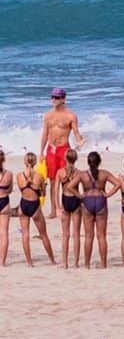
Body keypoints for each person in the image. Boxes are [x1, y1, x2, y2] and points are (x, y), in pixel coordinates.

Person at [39, 88, 84, 219]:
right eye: (52, 97)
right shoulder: (48, 115)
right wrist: (41, 151)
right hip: (51, 150)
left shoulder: (71, 115)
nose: (54, 99)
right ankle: (54, 210)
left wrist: (80, 140)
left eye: (57, 97)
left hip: (64, 149)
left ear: (64, 99)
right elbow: (44, 135)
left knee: (66, 178)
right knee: (53, 181)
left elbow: (76, 132)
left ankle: (66, 207)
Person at [80, 150, 120, 268]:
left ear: (88, 162)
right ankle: (103, 264)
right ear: (99, 162)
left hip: (88, 201)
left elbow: (70, 186)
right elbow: (117, 184)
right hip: (101, 201)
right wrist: (108, 194)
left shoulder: (83, 175)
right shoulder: (104, 173)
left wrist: (80, 195)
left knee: (88, 236)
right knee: (101, 236)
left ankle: (87, 264)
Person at [16, 152, 55, 266]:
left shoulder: (19, 175)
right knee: (43, 235)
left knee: (25, 234)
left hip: (23, 204)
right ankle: (52, 260)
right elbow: (43, 193)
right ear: (35, 162)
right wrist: (40, 187)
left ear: (25, 161)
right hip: (34, 205)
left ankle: (29, 262)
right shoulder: (39, 176)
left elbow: (21, 189)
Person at [57, 148, 84, 269]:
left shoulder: (60, 172)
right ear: (76, 159)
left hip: (65, 200)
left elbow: (55, 191)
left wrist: (57, 206)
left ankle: (65, 263)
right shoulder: (79, 173)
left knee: (65, 234)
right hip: (76, 200)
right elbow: (84, 188)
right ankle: (76, 262)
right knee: (76, 234)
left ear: (65, 158)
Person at [0, 150, 13, 266]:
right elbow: (9, 190)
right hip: (4, 202)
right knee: (4, 233)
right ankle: (2, 262)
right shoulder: (9, 174)